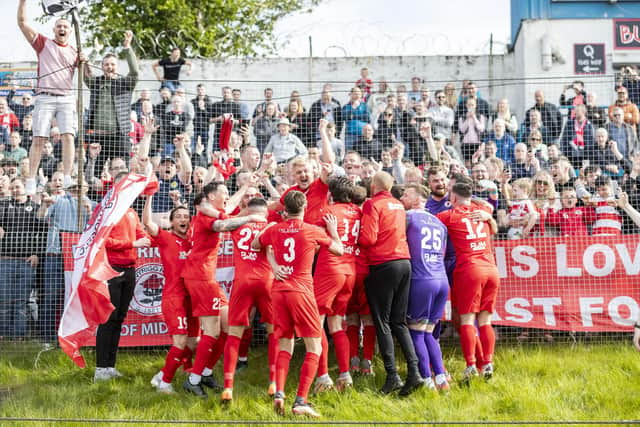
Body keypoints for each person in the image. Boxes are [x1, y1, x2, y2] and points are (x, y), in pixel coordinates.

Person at [252, 190, 343, 418]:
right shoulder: (312, 230)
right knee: (315, 347)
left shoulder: (274, 229)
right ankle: (301, 400)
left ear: (284, 210)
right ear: (304, 208)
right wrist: (333, 231)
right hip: (301, 291)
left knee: (285, 345)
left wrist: (273, 261)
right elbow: (339, 250)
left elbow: (255, 244)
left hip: (279, 290)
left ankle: (280, 394)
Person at [181, 182, 265, 398]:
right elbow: (222, 225)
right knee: (212, 331)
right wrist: (249, 218)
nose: (227, 197)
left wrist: (243, 188)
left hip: (206, 277)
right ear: (210, 196)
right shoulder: (207, 216)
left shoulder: (214, 210)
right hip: (200, 277)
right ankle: (193, 380)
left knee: (228, 324)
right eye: (223, 193)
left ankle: (206, 372)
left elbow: (227, 210)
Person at [359, 171, 424, 396]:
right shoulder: (398, 205)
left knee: (383, 322)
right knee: (399, 322)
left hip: (383, 264)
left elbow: (368, 238)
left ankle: (392, 376)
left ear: (374, 186)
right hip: (404, 262)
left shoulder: (372, 204)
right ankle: (414, 373)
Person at [436, 180, 499, 382]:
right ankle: (488, 364)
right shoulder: (482, 211)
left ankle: (471, 365)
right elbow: (495, 230)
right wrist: (489, 217)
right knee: (486, 320)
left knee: (467, 320)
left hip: (470, 271)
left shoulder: (449, 216)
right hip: (491, 270)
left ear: (453, 198)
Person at [17, 0, 77, 194]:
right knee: (39, 138)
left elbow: (88, 78)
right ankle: (31, 179)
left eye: (65, 26)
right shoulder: (44, 43)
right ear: (54, 29)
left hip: (66, 97)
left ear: (70, 31)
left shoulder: (75, 51)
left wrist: (83, 62)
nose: (62, 28)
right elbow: (22, 22)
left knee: (69, 136)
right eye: (59, 25)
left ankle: (67, 176)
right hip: (45, 96)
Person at [222, 197, 277, 402]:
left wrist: (244, 216)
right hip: (267, 280)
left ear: (247, 211)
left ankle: (228, 386)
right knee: (274, 332)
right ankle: (273, 382)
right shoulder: (272, 227)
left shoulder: (238, 226)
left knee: (234, 332)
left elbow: (224, 222)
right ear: (266, 212)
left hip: (242, 281)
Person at [312, 177, 361, 393]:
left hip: (329, 269)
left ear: (331, 193)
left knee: (317, 322)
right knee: (337, 324)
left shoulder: (328, 211)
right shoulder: (358, 212)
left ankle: (323, 377)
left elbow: (311, 236)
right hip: (350, 270)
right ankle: (345, 374)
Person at [144, 197, 198, 394]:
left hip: (193, 297)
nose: (183, 219)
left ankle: (173, 371)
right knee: (180, 342)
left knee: (193, 342)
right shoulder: (166, 237)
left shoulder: (194, 240)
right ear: (172, 222)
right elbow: (148, 223)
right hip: (174, 298)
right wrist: (150, 196)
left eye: (186, 216)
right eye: (179, 217)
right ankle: (165, 383)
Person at [400, 183, 450, 392]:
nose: (402, 197)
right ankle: (441, 378)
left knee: (417, 332)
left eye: (406, 194)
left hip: (421, 280)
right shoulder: (439, 223)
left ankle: (427, 382)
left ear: (418, 198)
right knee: (429, 332)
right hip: (441, 280)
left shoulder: (408, 217)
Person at [37, 180, 93, 345]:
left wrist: (89, 211)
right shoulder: (58, 200)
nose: (78, 189)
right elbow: (40, 217)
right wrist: (45, 205)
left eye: (80, 186)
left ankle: (78, 336)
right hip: (57, 254)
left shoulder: (94, 204)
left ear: (87, 188)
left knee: (79, 297)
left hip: (81, 256)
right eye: (74, 186)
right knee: (51, 297)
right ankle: (48, 338)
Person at [83, 31, 139, 174]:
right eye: (106, 64)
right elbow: (86, 72)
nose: (109, 67)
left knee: (122, 172)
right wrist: (95, 51)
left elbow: (135, 72)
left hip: (119, 135)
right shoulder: (96, 83)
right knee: (93, 171)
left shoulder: (125, 83)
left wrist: (127, 48)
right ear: (102, 67)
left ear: (117, 66)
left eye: (112, 64)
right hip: (98, 136)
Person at [0, 177, 46, 339]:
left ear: (25, 188)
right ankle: (3, 335)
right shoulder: (3, 205)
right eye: (12, 188)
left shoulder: (35, 208)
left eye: (17, 187)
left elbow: (42, 232)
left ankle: (19, 335)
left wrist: (37, 254)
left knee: (21, 300)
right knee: (4, 300)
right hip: (5, 260)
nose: (14, 190)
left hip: (27, 262)